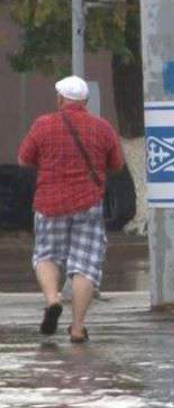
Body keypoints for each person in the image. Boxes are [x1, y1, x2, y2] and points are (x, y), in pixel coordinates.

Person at [17, 76, 124, 343]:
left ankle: (53, 299)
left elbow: (24, 159)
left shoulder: (43, 125)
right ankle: (77, 328)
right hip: (88, 204)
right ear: (85, 101)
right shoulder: (102, 127)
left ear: (60, 99)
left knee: (46, 256)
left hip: (49, 203)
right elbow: (117, 165)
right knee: (84, 266)